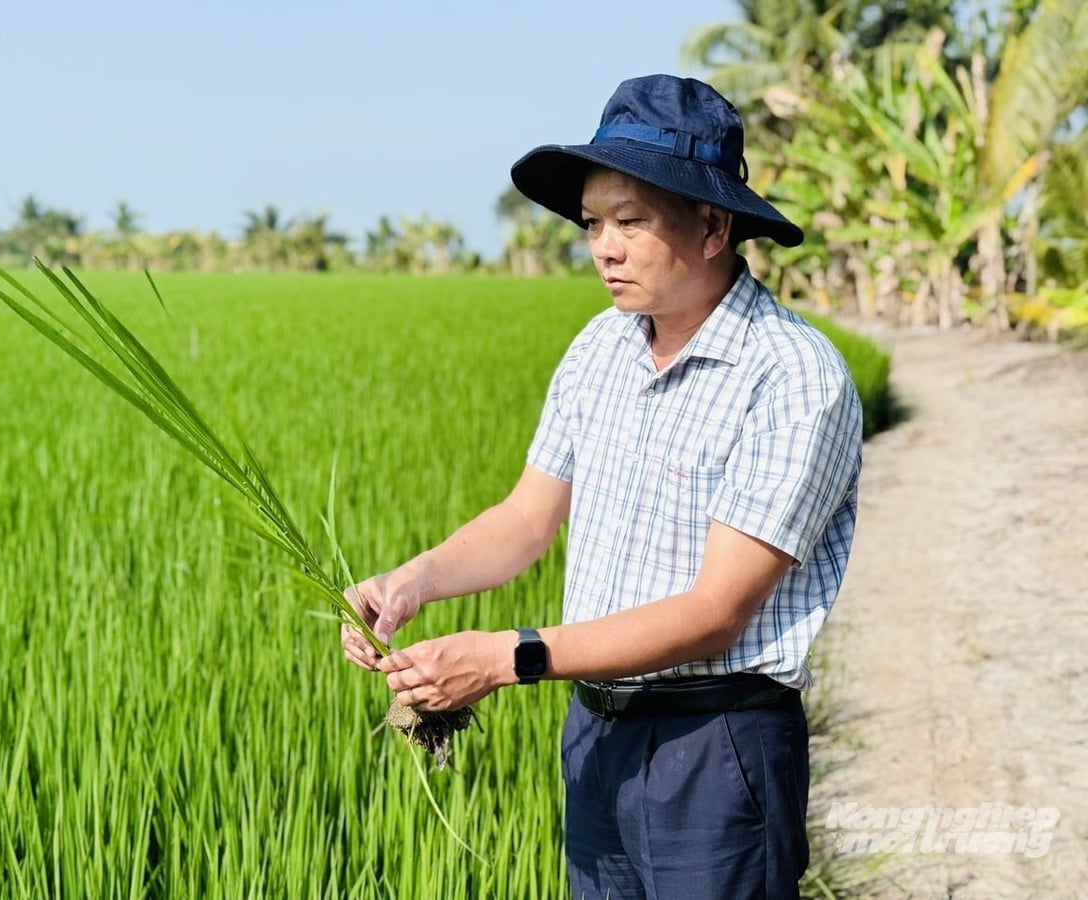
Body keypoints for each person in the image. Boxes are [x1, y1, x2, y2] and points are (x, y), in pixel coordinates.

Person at [341, 74, 863, 899]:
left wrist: (505, 658)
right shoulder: (600, 345)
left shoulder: (793, 376)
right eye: (592, 224)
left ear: (714, 227)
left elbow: (714, 612)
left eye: (631, 222)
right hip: (594, 730)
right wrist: (410, 580)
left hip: (715, 748)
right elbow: (526, 517)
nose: (603, 248)